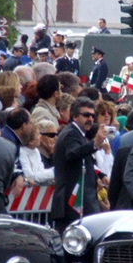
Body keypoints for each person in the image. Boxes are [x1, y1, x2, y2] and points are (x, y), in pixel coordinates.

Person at [51, 96, 106, 231]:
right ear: (75, 116)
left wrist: (97, 177)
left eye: (92, 116)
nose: (90, 119)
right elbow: (72, 154)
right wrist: (95, 143)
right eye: (86, 115)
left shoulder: (78, 133)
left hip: (79, 203)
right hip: (71, 204)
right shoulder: (71, 133)